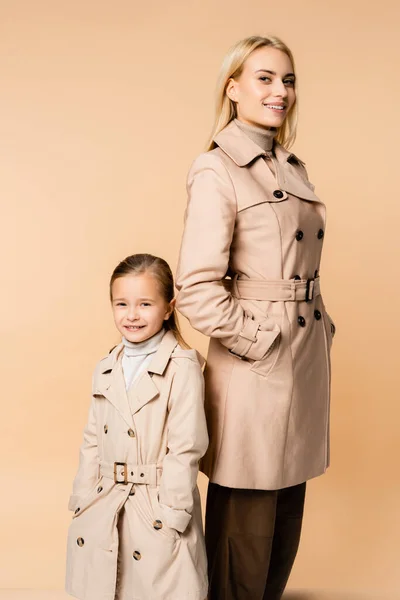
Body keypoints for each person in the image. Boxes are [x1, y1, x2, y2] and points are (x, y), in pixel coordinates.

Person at [176, 35, 336, 600]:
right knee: (245, 522)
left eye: (287, 80)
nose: (280, 91)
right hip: (257, 367)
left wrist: (322, 331)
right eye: (264, 77)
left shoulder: (291, 166)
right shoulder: (217, 169)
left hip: (304, 358)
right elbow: (195, 289)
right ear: (233, 87)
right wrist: (261, 342)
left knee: (286, 511)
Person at [66, 253, 209, 600]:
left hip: (156, 501)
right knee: (104, 585)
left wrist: (172, 512)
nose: (131, 315)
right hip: (105, 497)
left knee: (158, 585)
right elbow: (91, 438)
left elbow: (186, 444)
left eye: (145, 303)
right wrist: (83, 496)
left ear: (168, 307)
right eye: (122, 304)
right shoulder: (106, 366)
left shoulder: (182, 367)